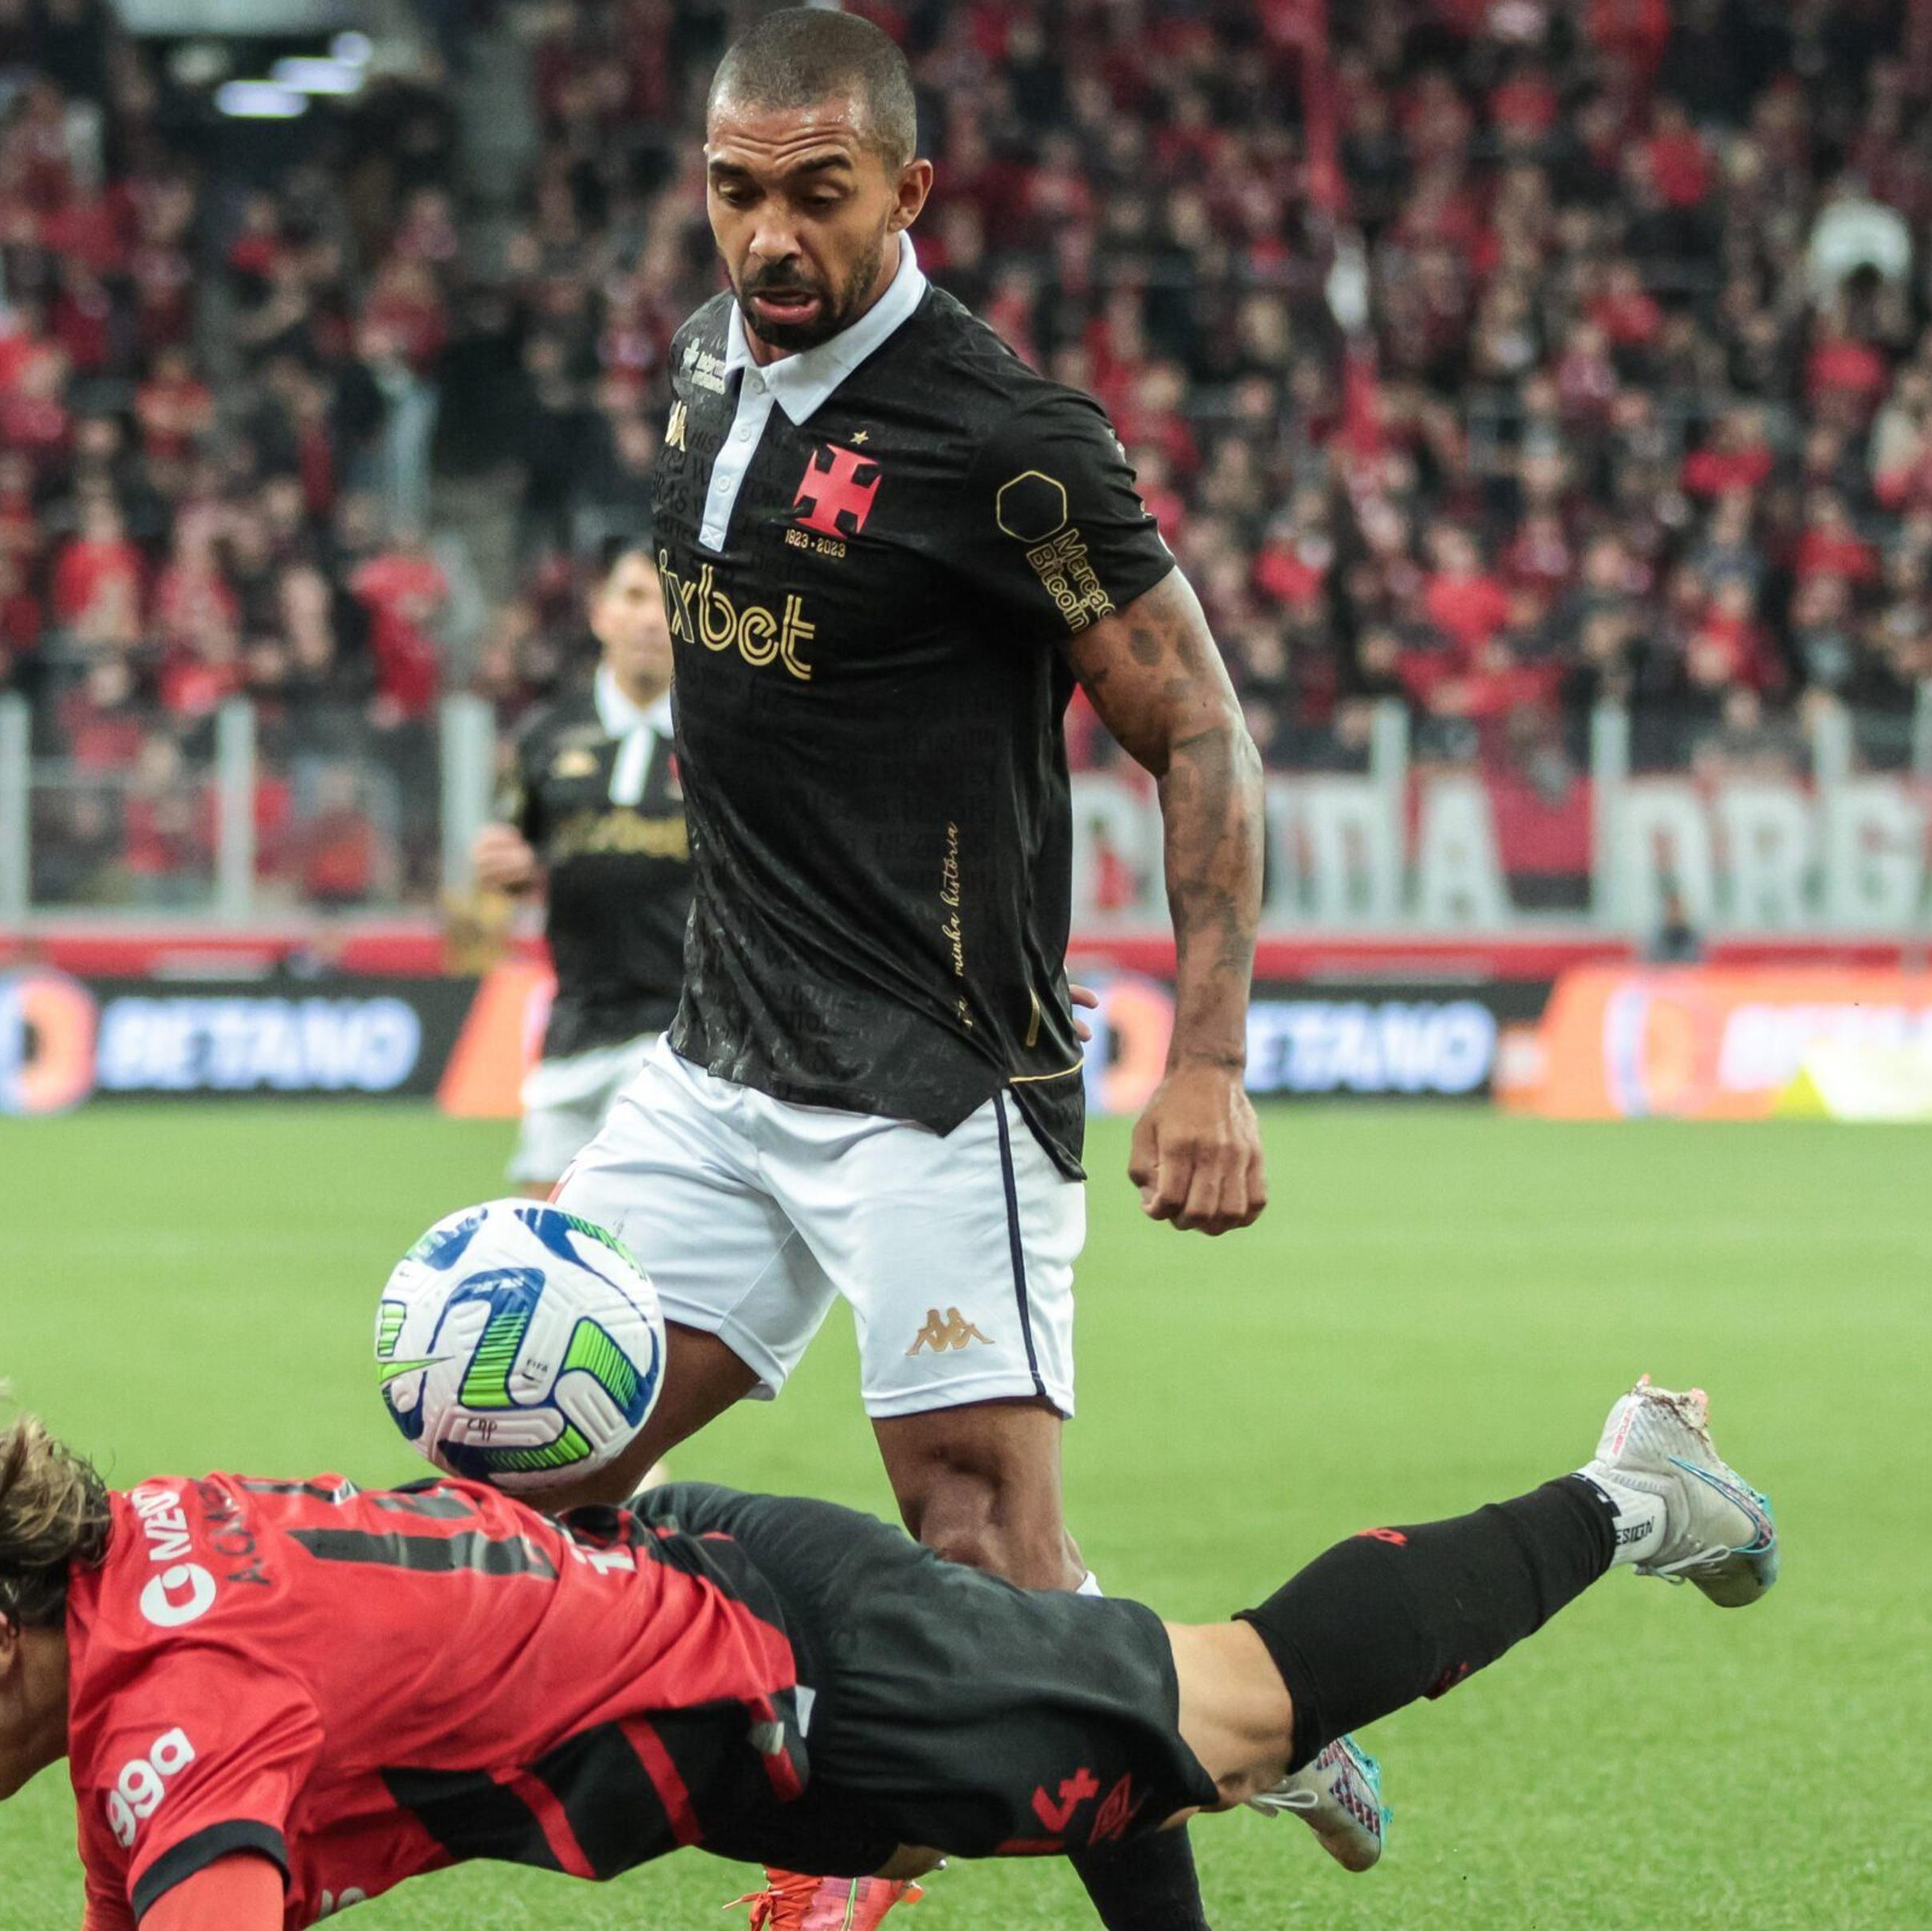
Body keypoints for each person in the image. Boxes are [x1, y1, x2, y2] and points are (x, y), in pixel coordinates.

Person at [549, 16, 1288, 1920]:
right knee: (525, 1479)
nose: (769, 235)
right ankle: (934, 1788)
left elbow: (1195, 730)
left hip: (935, 1081)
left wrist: (1203, 1058)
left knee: (980, 1547)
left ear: (907, 189)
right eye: (734, 190)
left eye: (816, 191)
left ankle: (1206, 1731)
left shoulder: (1004, 439)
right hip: (716, 1065)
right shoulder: (710, 365)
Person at [0, 1357, 1778, 1931]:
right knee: (1164, 1720)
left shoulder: (173, 1705)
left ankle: (1633, 1486)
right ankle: (1144, 1697)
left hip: (809, 1685)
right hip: (708, 1589)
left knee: (1242, 1697)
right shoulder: (138, 1557)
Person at [469, 543, 690, 1197]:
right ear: (600, 614)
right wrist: (502, 873)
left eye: (668, 601)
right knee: (544, 1227)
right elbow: (510, 857)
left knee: (638, 1214)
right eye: (634, 597)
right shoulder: (548, 735)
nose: (651, 619)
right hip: (576, 1019)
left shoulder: (722, 741)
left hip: (681, 1031)